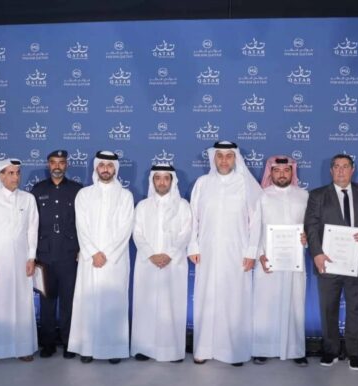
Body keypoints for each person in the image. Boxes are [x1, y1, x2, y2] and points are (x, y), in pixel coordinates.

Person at [187, 141, 262, 366]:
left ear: (235, 158)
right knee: (206, 298)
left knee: (234, 300)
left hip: (237, 252)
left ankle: (233, 351)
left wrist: (251, 252)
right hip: (207, 252)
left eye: (229, 156)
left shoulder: (245, 184)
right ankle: (203, 348)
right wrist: (193, 245)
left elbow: (256, 221)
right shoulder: (202, 183)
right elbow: (193, 217)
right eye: (220, 156)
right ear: (214, 158)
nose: (224, 160)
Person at [304, 154, 358, 370]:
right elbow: (311, 226)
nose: (341, 170)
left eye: (345, 166)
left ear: (353, 170)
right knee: (328, 308)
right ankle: (330, 350)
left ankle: (354, 352)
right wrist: (317, 254)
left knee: (357, 309)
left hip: (357, 261)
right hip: (327, 261)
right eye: (336, 167)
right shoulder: (317, 195)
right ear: (331, 170)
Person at [67, 151, 135, 364]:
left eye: (110, 165)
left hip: (115, 261)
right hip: (90, 259)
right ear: (96, 167)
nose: (106, 169)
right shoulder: (84, 194)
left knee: (113, 304)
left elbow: (125, 229)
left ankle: (113, 349)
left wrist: (107, 254)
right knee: (88, 302)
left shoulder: (125, 196)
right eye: (102, 165)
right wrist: (93, 253)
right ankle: (87, 348)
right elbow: (81, 226)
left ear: (115, 169)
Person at [0, 159, 39, 363]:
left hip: (22, 261)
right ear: (1, 176)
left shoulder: (28, 199)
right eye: (11, 173)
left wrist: (31, 257)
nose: (15, 177)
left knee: (22, 302)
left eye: (18, 173)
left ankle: (23, 347)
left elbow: (32, 229)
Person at [130, 164, 192, 363]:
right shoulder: (143, 206)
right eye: (158, 178)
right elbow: (137, 233)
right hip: (147, 263)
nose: (162, 182)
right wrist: (151, 254)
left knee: (171, 306)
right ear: (152, 181)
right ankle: (144, 348)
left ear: (172, 181)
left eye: (166, 178)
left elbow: (186, 233)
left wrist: (169, 254)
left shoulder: (183, 206)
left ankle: (171, 350)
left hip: (173, 264)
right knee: (145, 304)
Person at [251, 155, 309, 365]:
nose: (282, 174)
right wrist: (259, 254)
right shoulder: (261, 196)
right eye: (277, 170)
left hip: (294, 260)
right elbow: (254, 228)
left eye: (286, 170)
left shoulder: (304, 195)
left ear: (292, 172)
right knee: (265, 305)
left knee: (295, 304)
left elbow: (310, 226)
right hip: (267, 260)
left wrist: (307, 238)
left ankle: (295, 350)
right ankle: (262, 348)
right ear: (271, 173)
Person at [31, 150, 83, 358]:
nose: (57, 166)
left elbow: (83, 223)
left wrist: (81, 248)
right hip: (44, 255)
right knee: (47, 301)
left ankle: (69, 343)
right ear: (48, 165)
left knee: (68, 301)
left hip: (69, 254)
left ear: (66, 165)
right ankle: (48, 344)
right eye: (53, 162)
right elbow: (31, 224)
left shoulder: (77, 190)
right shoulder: (37, 190)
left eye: (61, 162)